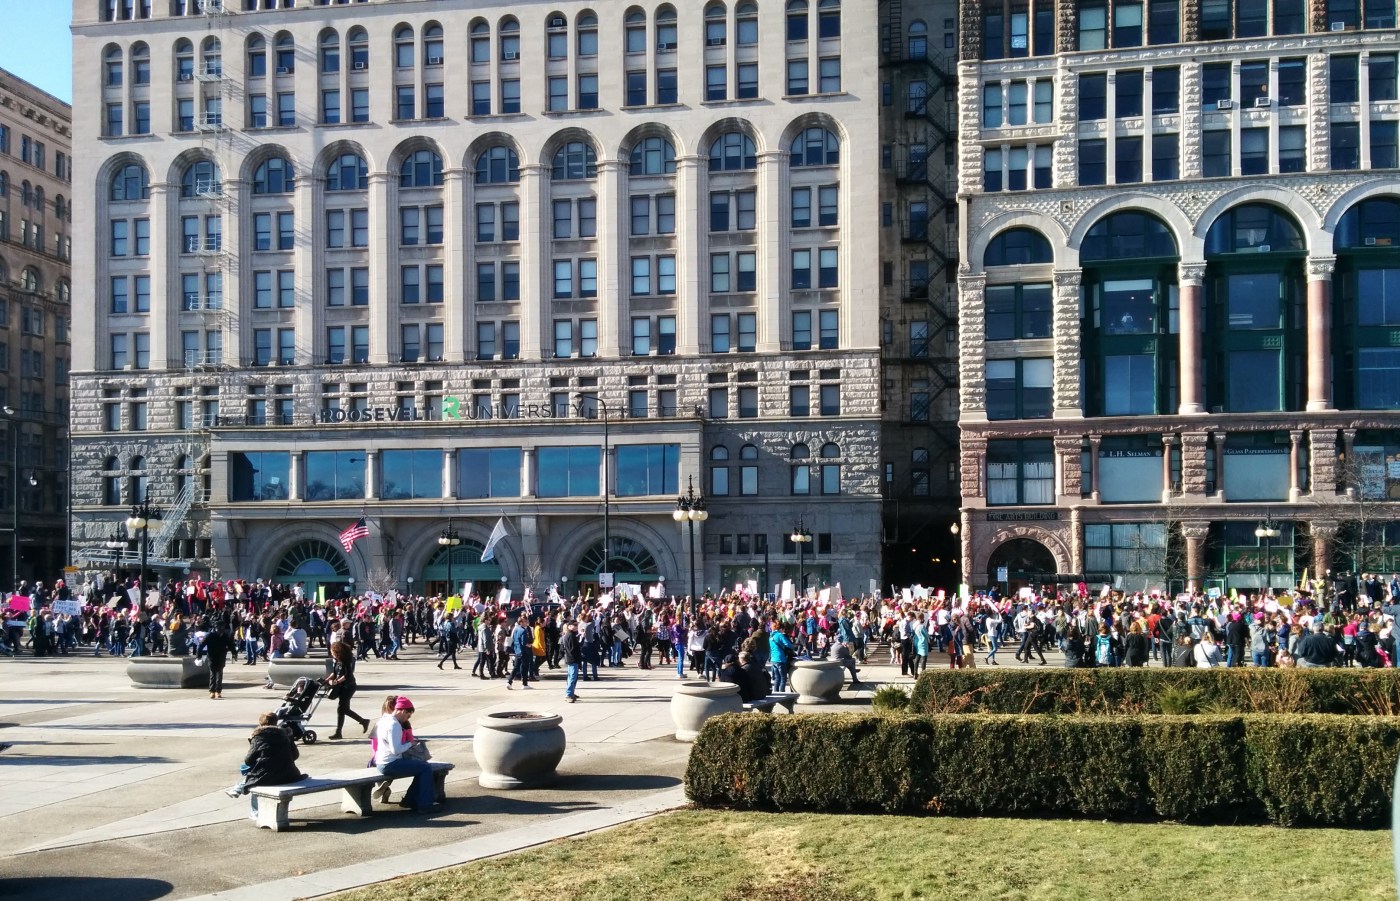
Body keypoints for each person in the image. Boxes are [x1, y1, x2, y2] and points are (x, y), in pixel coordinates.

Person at [226, 712, 306, 819]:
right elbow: (295, 756)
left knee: (256, 780)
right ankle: (237, 789)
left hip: (269, 777)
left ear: (260, 723)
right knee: (261, 773)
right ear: (276, 722)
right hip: (289, 775)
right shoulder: (285, 734)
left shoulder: (259, 736)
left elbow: (248, 760)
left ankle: (255, 813)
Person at [373, 697, 436, 812]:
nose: (407, 719)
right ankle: (425, 805)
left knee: (421, 769)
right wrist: (410, 744)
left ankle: (409, 800)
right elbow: (396, 750)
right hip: (390, 764)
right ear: (403, 711)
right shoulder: (394, 725)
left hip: (381, 762)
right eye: (408, 715)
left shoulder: (383, 720)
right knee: (426, 768)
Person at [326, 641, 370, 739]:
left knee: (341, 709)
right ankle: (362, 722)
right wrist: (327, 679)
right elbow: (334, 673)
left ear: (337, 651)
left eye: (332, 651)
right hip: (342, 686)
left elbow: (346, 675)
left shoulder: (346, 661)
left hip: (348, 687)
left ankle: (339, 732)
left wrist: (337, 682)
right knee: (343, 709)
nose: (331, 653)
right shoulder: (336, 661)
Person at [196, 620, 234, 700]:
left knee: (219, 673)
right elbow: (201, 645)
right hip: (212, 656)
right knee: (213, 674)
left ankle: (218, 691)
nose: (221, 630)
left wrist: (234, 653)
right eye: (220, 628)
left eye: (222, 628)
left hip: (221, 656)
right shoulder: (210, 635)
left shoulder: (224, 636)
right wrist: (198, 655)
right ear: (216, 628)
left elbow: (230, 644)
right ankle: (212, 691)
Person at [506, 613, 532, 689]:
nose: (526, 623)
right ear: (521, 622)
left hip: (517, 650)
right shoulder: (524, 631)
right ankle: (524, 683)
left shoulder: (516, 629)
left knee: (516, 667)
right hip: (524, 651)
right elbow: (524, 642)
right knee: (525, 667)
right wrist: (529, 645)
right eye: (524, 621)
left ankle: (509, 681)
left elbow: (514, 639)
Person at [559, 618, 582, 703]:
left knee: (571, 677)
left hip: (571, 659)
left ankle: (571, 693)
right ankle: (568, 694)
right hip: (572, 659)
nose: (576, 627)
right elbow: (573, 649)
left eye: (577, 625)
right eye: (575, 625)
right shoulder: (570, 635)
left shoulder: (570, 634)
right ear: (569, 626)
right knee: (572, 677)